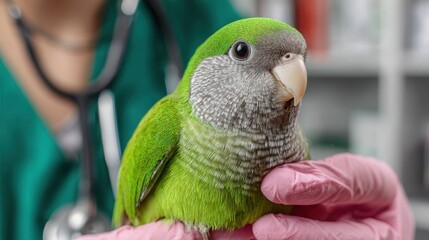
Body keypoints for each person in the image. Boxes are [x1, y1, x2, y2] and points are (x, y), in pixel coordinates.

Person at [0, 1, 414, 240]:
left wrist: (384, 222)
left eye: (295, 58)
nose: (290, 66)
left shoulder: (197, 10)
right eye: (242, 54)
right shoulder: (167, 125)